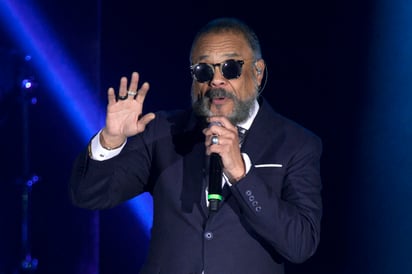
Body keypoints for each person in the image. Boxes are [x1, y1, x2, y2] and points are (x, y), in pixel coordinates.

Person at [70, 17, 323, 274]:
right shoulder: (163, 132)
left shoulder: (296, 143)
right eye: (204, 70)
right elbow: (89, 195)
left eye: (230, 68)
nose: (216, 81)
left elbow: (300, 244)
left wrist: (241, 174)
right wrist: (111, 141)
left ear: (257, 72)